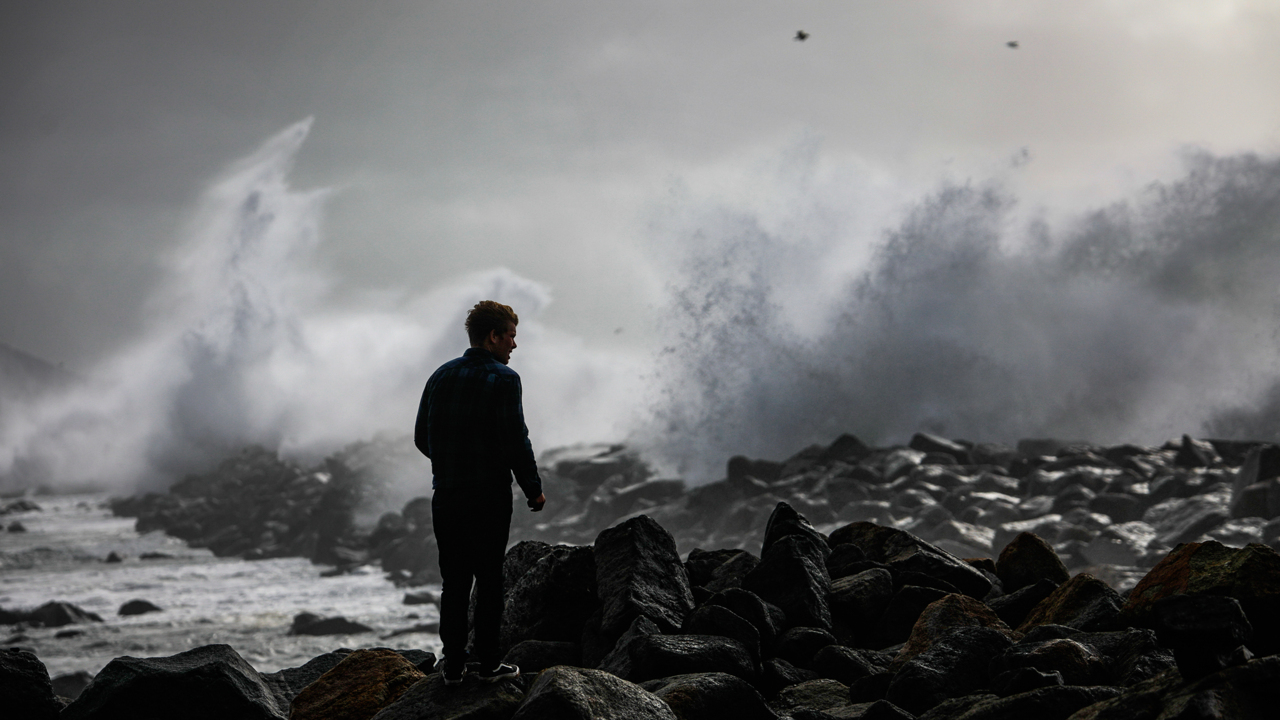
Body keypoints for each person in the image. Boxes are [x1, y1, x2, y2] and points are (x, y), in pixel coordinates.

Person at [414, 300, 547, 686]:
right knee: (489, 579)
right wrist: (533, 489)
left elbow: (423, 436)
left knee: (454, 581)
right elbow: (515, 441)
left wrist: (450, 462)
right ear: (493, 337)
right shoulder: (505, 379)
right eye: (511, 336)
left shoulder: (441, 375)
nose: (514, 346)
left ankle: (452, 666)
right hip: (488, 495)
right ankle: (488, 664)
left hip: (448, 494)